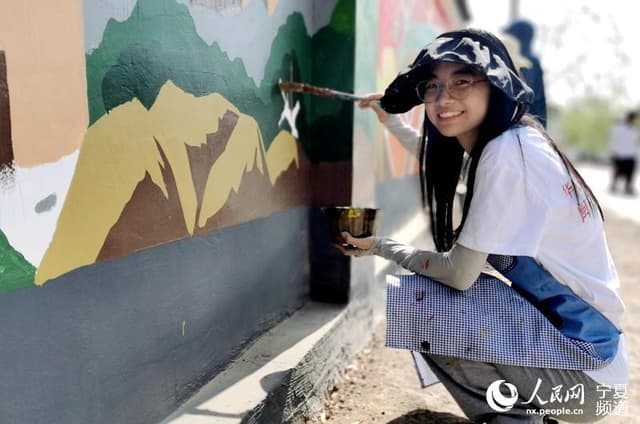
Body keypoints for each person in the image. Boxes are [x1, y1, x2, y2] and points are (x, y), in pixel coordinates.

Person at [339, 29, 627, 423]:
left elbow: (458, 275)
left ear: (495, 85)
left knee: (425, 304)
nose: (443, 98)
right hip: (593, 362)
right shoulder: (516, 141)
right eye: (432, 86)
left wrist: (379, 246)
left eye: (462, 81)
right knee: (462, 296)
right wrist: (390, 121)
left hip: (587, 380)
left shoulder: (506, 158)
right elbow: (442, 162)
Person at [504, 20, 547, 128]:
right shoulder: (529, 60)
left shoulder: (529, 62)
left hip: (525, 123)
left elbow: (525, 93)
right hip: (530, 122)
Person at [608, 111, 638, 195]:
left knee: (628, 173)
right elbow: (613, 140)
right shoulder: (619, 129)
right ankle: (614, 186)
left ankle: (627, 188)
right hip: (620, 154)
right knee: (618, 171)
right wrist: (613, 151)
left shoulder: (633, 130)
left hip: (629, 154)